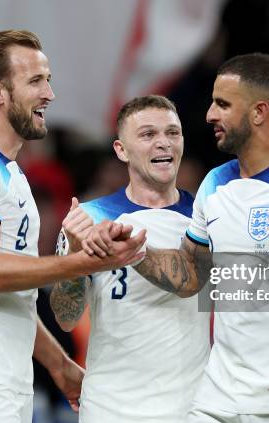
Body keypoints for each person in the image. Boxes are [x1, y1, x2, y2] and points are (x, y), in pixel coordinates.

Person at [83, 54, 269, 422]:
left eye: (223, 104)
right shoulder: (214, 184)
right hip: (221, 398)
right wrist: (134, 251)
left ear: (258, 112)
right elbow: (191, 273)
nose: (209, 114)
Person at [0, 30, 145, 422]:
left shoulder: (13, 174)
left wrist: (58, 365)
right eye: (35, 81)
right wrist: (86, 263)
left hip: (2, 378)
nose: (49, 94)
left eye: (49, 80)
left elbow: (13, 295)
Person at [50, 95, 210, 422]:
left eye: (172, 133)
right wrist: (77, 260)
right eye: (148, 135)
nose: (163, 143)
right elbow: (66, 316)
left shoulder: (207, 216)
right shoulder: (88, 218)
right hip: (109, 409)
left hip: (190, 407)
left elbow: (192, 282)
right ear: (121, 150)